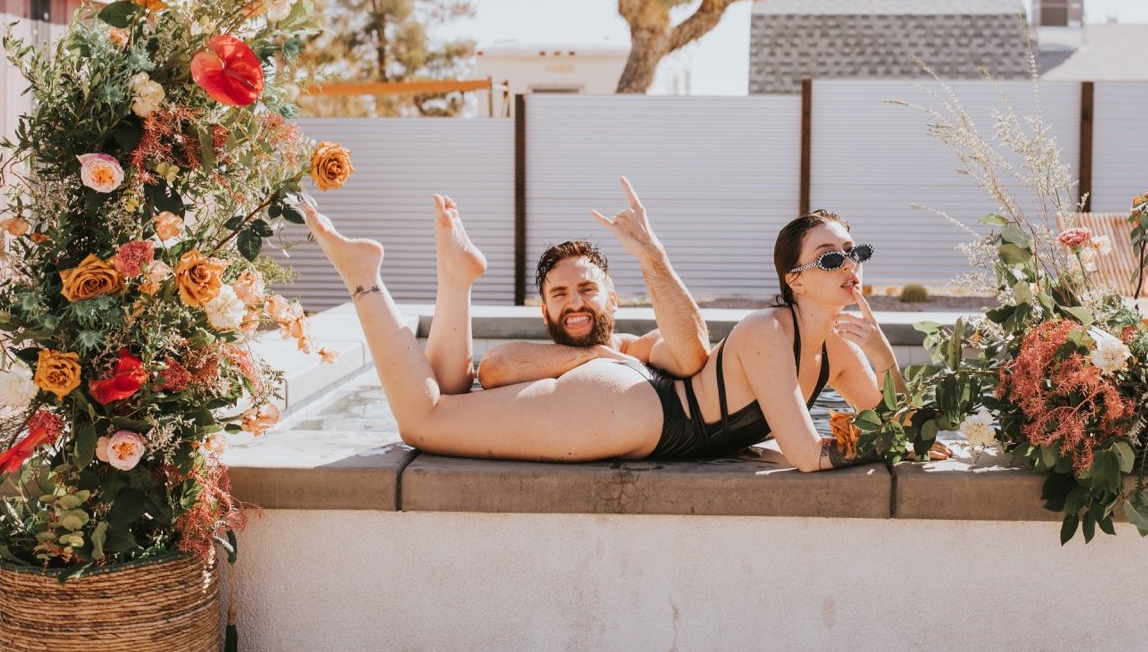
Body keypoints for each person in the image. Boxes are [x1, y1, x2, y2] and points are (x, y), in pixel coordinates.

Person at [301, 182, 901, 471]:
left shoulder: (840, 353)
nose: (849, 265)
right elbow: (807, 454)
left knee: (441, 407)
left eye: (854, 253)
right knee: (422, 421)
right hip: (636, 415)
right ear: (795, 279)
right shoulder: (769, 332)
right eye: (830, 257)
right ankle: (364, 279)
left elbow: (897, 424)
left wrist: (886, 355)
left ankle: (451, 278)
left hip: (638, 410)